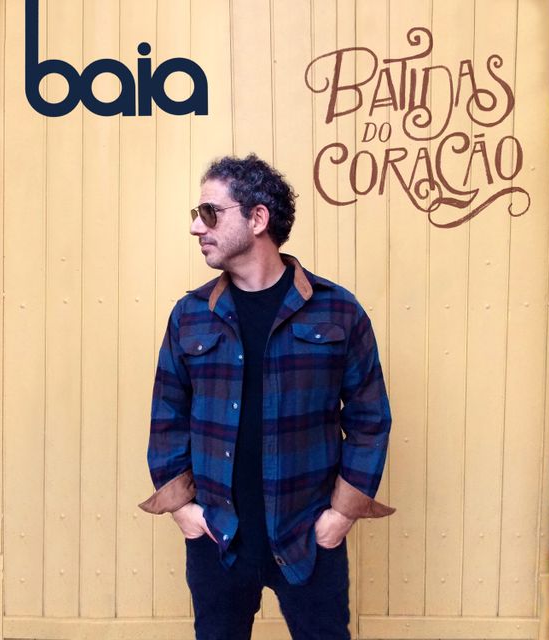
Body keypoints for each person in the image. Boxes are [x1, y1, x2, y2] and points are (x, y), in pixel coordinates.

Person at [139, 154, 395, 640]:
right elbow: (167, 416)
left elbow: (369, 419)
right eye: (196, 214)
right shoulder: (190, 315)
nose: (196, 227)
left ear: (258, 218)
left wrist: (341, 515)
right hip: (218, 537)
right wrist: (182, 510)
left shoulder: (338, 311)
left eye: (210, 213)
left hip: (308, 536)